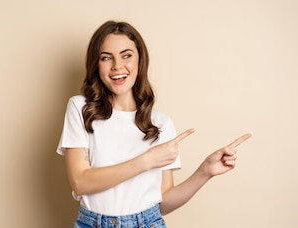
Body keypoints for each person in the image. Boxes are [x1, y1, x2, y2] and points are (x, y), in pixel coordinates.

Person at [56, 20, 252, 228]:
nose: (117, 66)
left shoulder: (161, 123)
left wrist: (205, 171)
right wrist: (147, 160)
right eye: (106, 58)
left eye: (126, 55)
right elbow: (81, 182)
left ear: (140, 61)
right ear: (96, 64)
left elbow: (163, 202)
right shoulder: (81, 109)